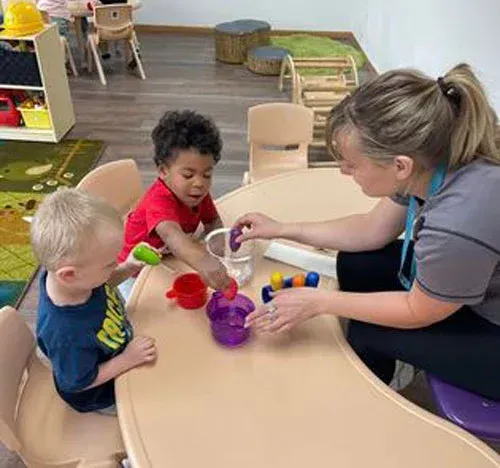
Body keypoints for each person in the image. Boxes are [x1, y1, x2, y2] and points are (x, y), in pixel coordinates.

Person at [235, 63, 500, 401]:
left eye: (352, 163)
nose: (344, 171)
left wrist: (320, 303)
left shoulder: (457, 225)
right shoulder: (431, 159)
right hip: (470, 286)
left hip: (492, 332)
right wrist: (282, 229)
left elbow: (419, 310)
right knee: (356, 263)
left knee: (370, 329)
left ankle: (369, 403)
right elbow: (372, 230)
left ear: (399, 166)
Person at [31, 188, 157, 414]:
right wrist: (127, 360)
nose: (114, 265)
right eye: (109, 263)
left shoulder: (77, 279)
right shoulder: (65, 333)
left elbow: (104, 281)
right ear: (69, 275)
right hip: (100, 392)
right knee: (156, 405)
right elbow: (77, 382)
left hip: (119, 344)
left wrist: (127, 267)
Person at [117, 110, 231, 298]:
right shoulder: (158, 199)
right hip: (135, 273)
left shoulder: (198, 193)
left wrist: (216, 245)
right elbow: (172, 235)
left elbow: (213, 222)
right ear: (163, 170)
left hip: (167, 263)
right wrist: (203, 260)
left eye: (207, 175)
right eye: (188, 175)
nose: (199, 183)